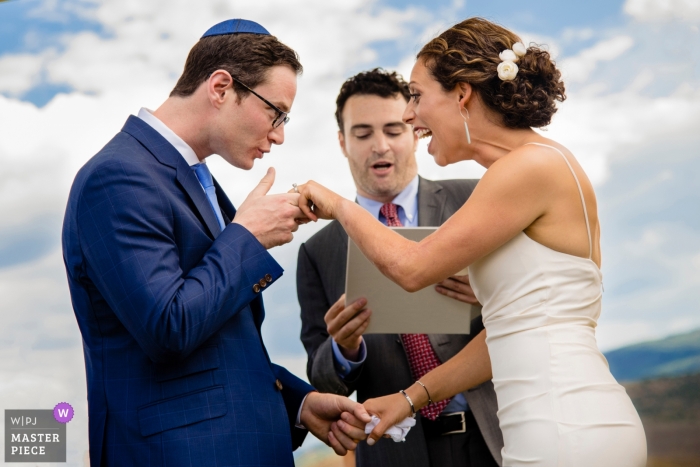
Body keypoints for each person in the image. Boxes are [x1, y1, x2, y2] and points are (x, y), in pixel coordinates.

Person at [293, 17, 647, 467]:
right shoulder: (529, 167)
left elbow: (413, 269)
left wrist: (340, 207)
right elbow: (505, 332)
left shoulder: (527, 168)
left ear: (461, 95)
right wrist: (409, 398)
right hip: (549, 424)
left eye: (417, 96)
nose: (408, 115)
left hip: (563, 425)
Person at [62, 19, 369, 467]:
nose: (280, 134)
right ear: (222, 87)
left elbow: (222, 346)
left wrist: (300, 403)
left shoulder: (196, 179)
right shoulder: (116, 177)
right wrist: (247, 236)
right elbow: (169, 328)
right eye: (276, 113)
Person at [297, 68, 503, 467]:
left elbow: (530, 308)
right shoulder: (318, 250)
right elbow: (322, 377)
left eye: (393, 130)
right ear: (342, 142)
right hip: (394, 453)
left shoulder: (477, 198)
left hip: (495, 435)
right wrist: (343, 349)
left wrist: (492, 294)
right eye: (362, 133)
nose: (380, 146)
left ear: (415, 130)